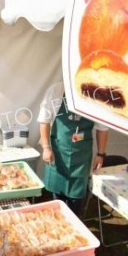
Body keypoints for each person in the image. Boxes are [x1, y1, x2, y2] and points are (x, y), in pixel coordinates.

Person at [38, 82, 109, 216]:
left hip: (81, 153)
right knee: (57, 191)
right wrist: (46, 147)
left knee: (77, 194)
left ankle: (75, 220)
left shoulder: (98, 95)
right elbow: (44, 121)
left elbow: (103, 129)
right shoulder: (56, 90)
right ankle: (56, 221)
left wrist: (101, 154)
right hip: (58, 151)